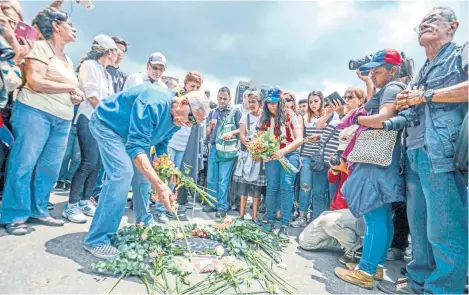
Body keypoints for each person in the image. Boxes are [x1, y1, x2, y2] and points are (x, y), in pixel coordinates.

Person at [378, 7, 468, 295]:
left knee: (444, 228)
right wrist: (402, 110)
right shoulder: (422, 70)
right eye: (420, 24)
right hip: (414, 154)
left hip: (441, 153)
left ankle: (443, 289)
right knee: (420, 227)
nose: (424, 26)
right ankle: (419, 281)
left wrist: (426, 95)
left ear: (452, 26)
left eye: (432, 21)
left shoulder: (460, 54)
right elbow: (418, 110)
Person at [83, 86, 209, 259]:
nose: (189, 125)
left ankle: (144, 223)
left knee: (143, 178)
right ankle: (97, 240)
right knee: (122, 174)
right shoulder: (153, 102)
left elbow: (162, 143)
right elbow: (136, 147)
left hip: (129, 136)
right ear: (183, 102)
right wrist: (160, 186)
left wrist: (167, 168)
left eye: (194, 123)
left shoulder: (178, 120)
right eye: (191, 118)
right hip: (108, 126)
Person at [0, 8, 84, 235]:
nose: (74, 29)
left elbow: (61, 86)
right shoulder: (39, 47)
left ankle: (38, 210)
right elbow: (35, 81)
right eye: (69, 24)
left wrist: (74, 95)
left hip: (63, 118)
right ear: (56, 26)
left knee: (49, 167)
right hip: (35, 112)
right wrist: (71, 87)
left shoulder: (66, 59)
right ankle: (14, 215)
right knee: (24, 163)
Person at [333, 49, 406, 290]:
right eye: (371, 72)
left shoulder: (393, 89)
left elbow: (383, 117)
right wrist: (366, 81)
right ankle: (375, 266)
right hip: (383, 162)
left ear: (394, 70)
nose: (373, 75)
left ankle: (365, 271)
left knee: (374, 216)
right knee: (383, 217)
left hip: (376, 162)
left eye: (378, 71)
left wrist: (358, 120)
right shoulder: (389, 88)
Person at [299, 88, 366, 264]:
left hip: (355, 209)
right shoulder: (339, 127)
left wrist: (346, 167)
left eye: (350, 98)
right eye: (344, 98)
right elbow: (332, 178)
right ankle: (341, 239)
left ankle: (355, 247)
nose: (345, 101)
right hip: (337, 206)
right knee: (305, 241)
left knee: (332, 217)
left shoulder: (362, 132)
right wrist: (337, 168)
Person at [63, 35, 118, 223]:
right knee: (88, 161)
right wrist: (110, 116)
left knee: (97, 163)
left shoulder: (107, 74)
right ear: (106, 51)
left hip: (101, 122)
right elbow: (92, 96)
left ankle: (85, 201)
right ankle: (71, 205)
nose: (116, 55)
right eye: (114, 51)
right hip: (87, 119)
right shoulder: (89, 65)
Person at [121, 52, 170, 223]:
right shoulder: (135, 79)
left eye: (161, 69)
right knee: (121, 176)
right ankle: (114, 212)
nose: (157, 71)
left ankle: (143, 219)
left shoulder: (163, 88)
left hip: (144, 139)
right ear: (148, 65)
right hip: (125, 134)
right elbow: (124, 103)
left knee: (143, 180)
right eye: (155, 67)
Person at [259, 87, 302, 237]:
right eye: (269, 102)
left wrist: (283, 151)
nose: (271, 106)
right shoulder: (264, 117)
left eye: (275, 102)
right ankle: (270, 221)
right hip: (272, 155)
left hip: (289, 153)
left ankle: (284, 224)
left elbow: (299, 139)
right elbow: (260, 138)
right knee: (271, 187)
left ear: (281, 102)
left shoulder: (290, 115)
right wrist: (261, 151)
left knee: (287, 187)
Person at [291, 90, 337, 228]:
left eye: (316, 101)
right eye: (310, 102)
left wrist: (327, 114)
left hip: (322, 158)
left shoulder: (331, 115)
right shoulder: (305, 117)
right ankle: (302, 216)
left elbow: (326, 130)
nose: (313, 104)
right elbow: (301, 137)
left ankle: (317, 219)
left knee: (319, 191)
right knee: (305, 187)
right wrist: (308, 139)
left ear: (322, 101)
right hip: (307, 156)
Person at [168, 71, 204, 215]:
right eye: (192, 85)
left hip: (183, 142)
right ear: (186, 84)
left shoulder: (197, 102)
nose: (194, 89)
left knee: (175, 176)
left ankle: (169, 206)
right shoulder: (176, 96)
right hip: (171, 140)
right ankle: (160, 207)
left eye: (197, 87)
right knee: (165, 173)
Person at [202, 86, 241, 218]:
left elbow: (242, 130)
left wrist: (231, 133)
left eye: (225, 98)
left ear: (229, 99)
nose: (222, 101)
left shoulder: (235, 112)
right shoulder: (212, 112)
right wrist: (210, 127)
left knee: (223, 179)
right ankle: (212, 203)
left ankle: (222, 207)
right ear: (217, 97)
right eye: (220, 98)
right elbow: (207, 133)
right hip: (214, 147)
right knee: (211, 178)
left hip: (228, 150)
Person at [232, 90, 265, 225]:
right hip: (247, 154)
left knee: (257, 188)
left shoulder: (265, 118)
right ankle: (241, 214)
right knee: (244, 186)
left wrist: (259, 148)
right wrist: (250, 146)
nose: (251, 104)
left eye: (254, 102)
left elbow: (267, 135)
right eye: (250, 102)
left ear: (260, 103)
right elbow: (242, 135)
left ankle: (255, 216)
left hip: (260, 156)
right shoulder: (245, 117)